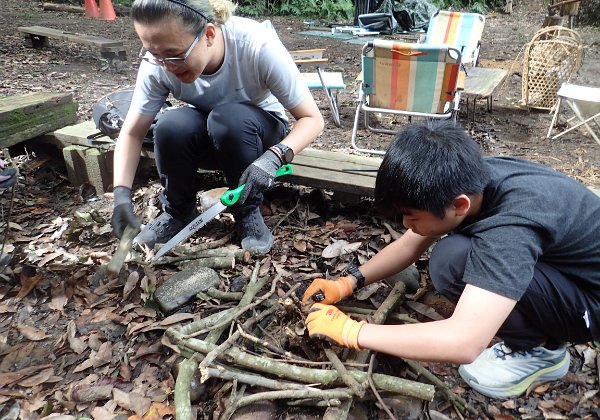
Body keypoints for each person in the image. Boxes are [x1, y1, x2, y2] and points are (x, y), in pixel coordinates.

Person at [302, 120, 600, 399]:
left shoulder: (512, 227)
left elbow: (464, 343)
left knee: (454, 261)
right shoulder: (472, 179)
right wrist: (347, 282)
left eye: (412, 215)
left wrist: (353, 332)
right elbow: (411, 244)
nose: (406, 224)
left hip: (590, 304)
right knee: (450, 258)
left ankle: (542, 350)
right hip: (567, 270)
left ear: (459, 205)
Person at [110, 0, 324, 254]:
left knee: (229, 119)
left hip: (258, 137)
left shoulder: (256, 45)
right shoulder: (158, 62)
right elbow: (133, 132)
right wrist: (121, 195)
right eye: (156, 55)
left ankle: (247, 213)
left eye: (175, 55)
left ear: (209, 34)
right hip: (209, 136)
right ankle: (179, 212)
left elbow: (313, 120)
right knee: (170, 125)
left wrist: (274, 157)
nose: (167, 66)